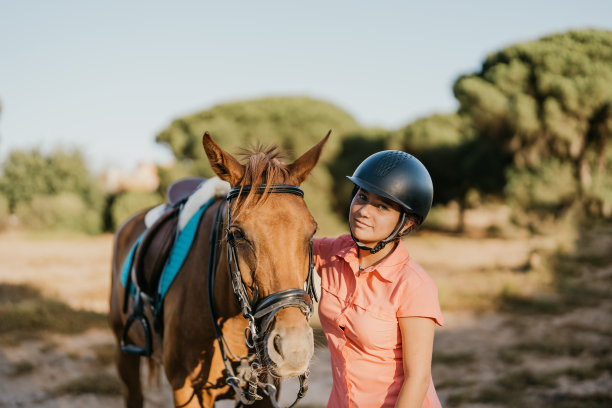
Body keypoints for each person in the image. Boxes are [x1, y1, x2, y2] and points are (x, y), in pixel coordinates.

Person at [313, 150, 444, 408]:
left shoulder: (413, 284)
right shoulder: (333, 253)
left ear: (406, 224)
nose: (364, 211)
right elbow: (280, 240)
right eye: (362, 197)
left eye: (382, 206)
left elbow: (418, 378)